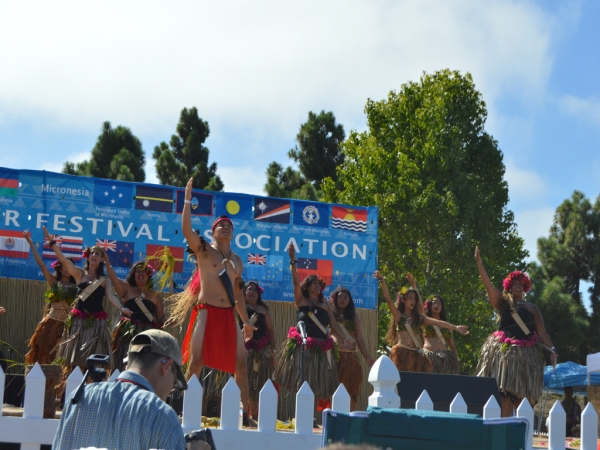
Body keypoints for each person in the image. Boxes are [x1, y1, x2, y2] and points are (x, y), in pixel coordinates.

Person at [169, 177, 256, 426]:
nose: (226, 227)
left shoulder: (237, 261)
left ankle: (246, 415)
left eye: (229, 226)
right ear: (213, 232)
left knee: (241, 365)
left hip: (228, 315)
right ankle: (185, 410)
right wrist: (187, 201)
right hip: (206, 311)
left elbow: (237, 295)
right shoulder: (204, 250)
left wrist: (246, 321)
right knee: (196, 361)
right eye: (221, 225)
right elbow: (187, 230)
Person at [52, 329, 209, 450]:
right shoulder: (162, 415)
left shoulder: (79, 398)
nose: (170, 389)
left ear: (128, 365)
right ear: (166, 366)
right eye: (174, 382)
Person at [474, 246, 556, 417]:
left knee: (522, 398)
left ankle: (520, 428)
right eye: (515, 284)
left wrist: (552, 350)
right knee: (504, 395)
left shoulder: (532, 308)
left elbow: (541, 331)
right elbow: (488, 286)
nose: (518, 286)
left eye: (521, 284)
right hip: (505, 355)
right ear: (509, 287)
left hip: (526, 356)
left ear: (524, 288)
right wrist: (479, 263)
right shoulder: (503, 303)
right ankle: (503, 427)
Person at [273, 246, 350, 416]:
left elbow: (334, 324)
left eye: (319, 284)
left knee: (317, 383)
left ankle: (313, 418)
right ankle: (301, 416)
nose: (317, 285)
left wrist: (344, 337)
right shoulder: (300, 300)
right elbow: (295, 282)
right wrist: (293, 260)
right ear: (307, 286)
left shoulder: (325, 305)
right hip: (303, 347)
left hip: (321, 347)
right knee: (303, 383)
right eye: (313, 283)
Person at [43, 226, 131, 371]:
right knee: (75, 358)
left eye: (98, 253)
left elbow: (110, 297)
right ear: (88, 257)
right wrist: (52, 242)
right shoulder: (79, 274)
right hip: (78, 321)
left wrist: (122, 308)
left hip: (97, 324)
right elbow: (63, 260)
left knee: (94, 359)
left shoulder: (105, 280)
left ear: (102, 259)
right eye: (92, 253)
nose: (94, 255)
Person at [375, 270, 468, 373]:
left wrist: (456, 327)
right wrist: (382, 281)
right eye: (410, 298)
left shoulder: (419, 318)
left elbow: (437, 322)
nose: (413, 301)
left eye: (414, 299)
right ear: (404, 300)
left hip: (416, 355)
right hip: (401, 354)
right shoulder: (398, 316)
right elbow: (388, 300)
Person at [23, 230, 77, 365]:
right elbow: (41, 264)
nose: (67, 269)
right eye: (64, 265)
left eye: (69, 266)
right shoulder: (54, 282)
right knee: (45, 354)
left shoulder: (77, 285)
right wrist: (30, 243)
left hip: (67, 326)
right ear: (59, 268)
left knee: (62, 358)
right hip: (51, 323)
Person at [104, 255, 165, 372]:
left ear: (148, 275)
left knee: (143, 365)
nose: (140, 274)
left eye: (143, 271)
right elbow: (113, 278)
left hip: (147, 336)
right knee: (124, 363)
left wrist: (168, 321)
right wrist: (107, 262)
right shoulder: (127, 289)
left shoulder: (155, 296)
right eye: (138, 271)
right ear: (133, 274)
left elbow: (161, 318)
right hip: (127, 333)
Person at [330, 285, 375, 411]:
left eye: (345, 297)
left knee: (352, 389)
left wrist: (367, 357)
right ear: (335, 299)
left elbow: (359, 338)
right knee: (333, 389)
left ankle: (352, 417)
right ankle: (334, 416)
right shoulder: (331, 315)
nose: (342, 300)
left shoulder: (354, 316)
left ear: (349, 300)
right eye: (340, 297)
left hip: (350, 358)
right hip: (335, 356)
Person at [241, 280, 277, 419]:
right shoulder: (240, 308)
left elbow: (270, 329)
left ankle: (254, 416)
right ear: (244, 292)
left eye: (255, 290)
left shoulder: (263, 310)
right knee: (247, 382)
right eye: (249, 289)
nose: (252, 292)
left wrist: (273, 348)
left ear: (259, 294)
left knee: (260, 383)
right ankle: (244, 413)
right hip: (245, 350)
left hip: (262, 351)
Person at [422, 295, 460, 374]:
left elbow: (452, 346)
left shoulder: (447, 325)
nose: (436, 305)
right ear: (430, 305)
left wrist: (456, 361)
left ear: (442, 307)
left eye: (439, 303)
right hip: (428, 357)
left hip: (444, 359)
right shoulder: (425, 322)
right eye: (434, 302)